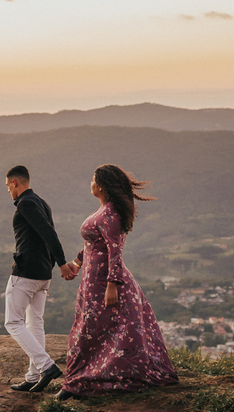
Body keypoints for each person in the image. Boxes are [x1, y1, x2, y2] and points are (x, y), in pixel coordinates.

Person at [57, 164, 178, 400]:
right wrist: (77, 263)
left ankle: (79, 383)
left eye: (92, 179)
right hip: (92, 280)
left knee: (93, 329)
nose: (90, 183)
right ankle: (81, 378)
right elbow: (92, 245)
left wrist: (112, 284)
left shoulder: (110, 214)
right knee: (92, 328)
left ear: (100, 186)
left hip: (105, 281)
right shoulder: (103, 211)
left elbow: (115, 250)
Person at [3, 165, 77, 393]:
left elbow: (48, 233)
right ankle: (33, 376)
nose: (8, 191)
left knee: (12, 322)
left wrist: (63, 263)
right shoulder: (41, 202)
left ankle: (46, 367)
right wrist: (54, 267)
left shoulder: (26, 203)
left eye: (8, 186)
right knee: (34, 322)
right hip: (43, 273)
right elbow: (48, 233)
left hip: (26, 272)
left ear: (15, 182)